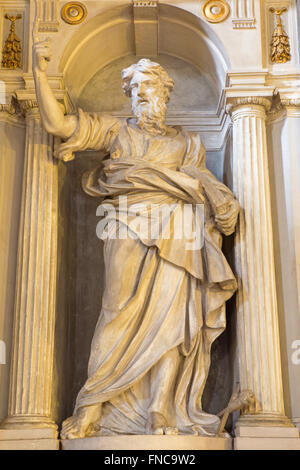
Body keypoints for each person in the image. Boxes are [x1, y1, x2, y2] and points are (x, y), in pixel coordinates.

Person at [33, 39, 240, 439]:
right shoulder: (114, 131)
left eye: (149, 86)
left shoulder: (188, 143)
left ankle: (160, 410)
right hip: (126, 225)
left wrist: (205, 196)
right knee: (117, 312)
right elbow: (58, 125)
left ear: (164, 91)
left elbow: (204, 191)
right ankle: (93, 403)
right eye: (135, 89)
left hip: (180, 234)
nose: (142, 94)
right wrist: (40, 74)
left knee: (174, 320)